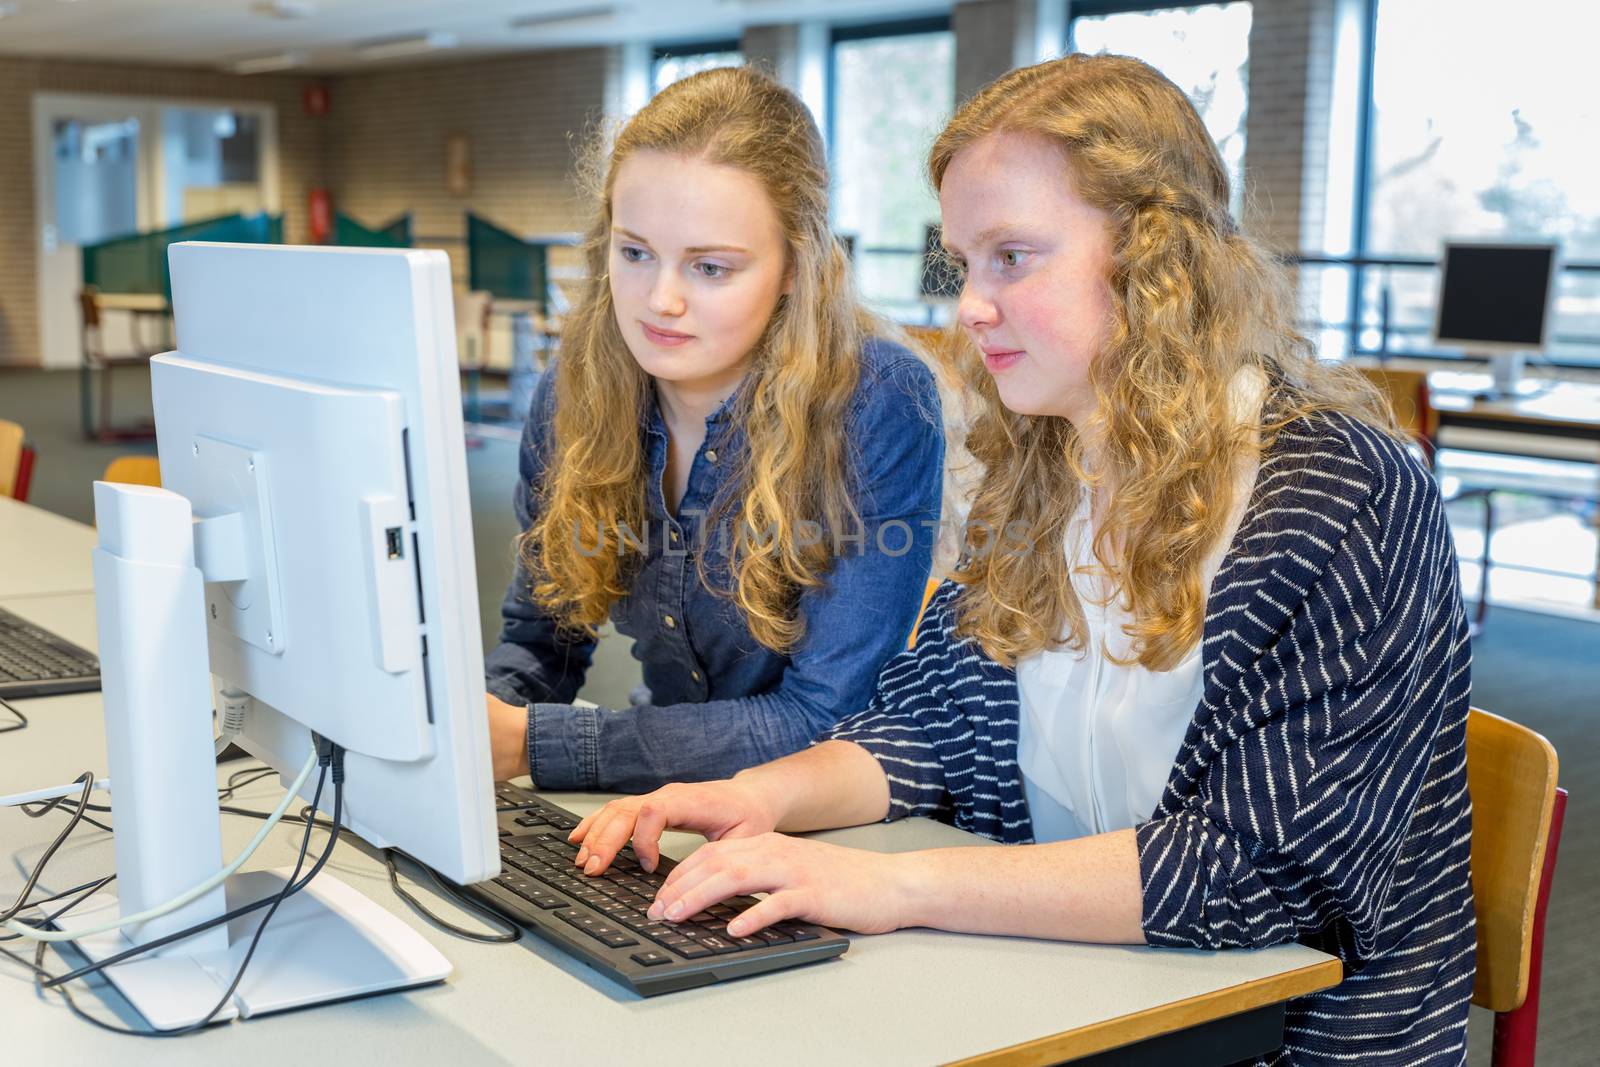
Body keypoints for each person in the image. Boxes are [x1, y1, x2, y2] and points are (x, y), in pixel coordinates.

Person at [569, 54, 1475, 1064]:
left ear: (1153, 260)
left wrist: (898, 886)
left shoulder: (1341, 492)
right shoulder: (1045, 459)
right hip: (1077, 991)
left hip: (1274, 1039)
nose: (969, 305)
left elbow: (1253, 870)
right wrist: (764, 794)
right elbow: (937, 720)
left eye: (1012, 257)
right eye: (964, 262)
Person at [484, 66, 945, 794]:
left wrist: (536, 743)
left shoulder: (875, 401)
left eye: (709, 267)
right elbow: (540, 640)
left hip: (826, 819)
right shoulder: (574, 392)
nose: (659, 300)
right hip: (661, 795)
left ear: (797, 265)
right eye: (634, 253)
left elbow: (822, 715)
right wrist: (473, 731)